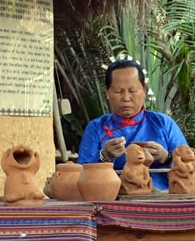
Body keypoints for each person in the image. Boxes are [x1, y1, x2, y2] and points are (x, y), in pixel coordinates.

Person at [77, 59, 188, 190]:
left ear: (144, 89)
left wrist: (166, 158)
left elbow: (189, 168)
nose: (126, 98)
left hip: (163, 199)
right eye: (119, 91)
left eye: (132, 90)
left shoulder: (164, 124)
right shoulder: (96, 128)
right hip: (114, 200)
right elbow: (80, 176)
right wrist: (104, 156)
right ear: (106, 92)